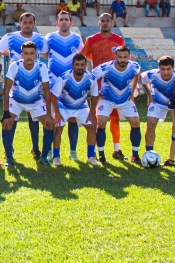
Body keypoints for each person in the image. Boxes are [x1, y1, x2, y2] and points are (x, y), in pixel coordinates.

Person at [0, 12, 48, 159]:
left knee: (34, 117)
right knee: (12, 119)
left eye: (30, 22)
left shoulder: (40, 39)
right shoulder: (10, 37)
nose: (27, 24)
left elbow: (47, 55)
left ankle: (36, 149)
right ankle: (9, 151)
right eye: (25, 22)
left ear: (34, 24)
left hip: (34, 84)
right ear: (20, 23)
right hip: (17, 83)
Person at [81, 13, 126, 161]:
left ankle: (116, 149)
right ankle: (93, 151)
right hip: (98, 84)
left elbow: (125, 58)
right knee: (97, 120)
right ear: (99, 23)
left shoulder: (118, 40)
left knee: (115, 118)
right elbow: (84, 56)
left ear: (112, 23)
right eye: (103, 21)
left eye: (108, 21)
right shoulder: (92, 40)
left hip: (115, 83)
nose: (105, 23)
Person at [1, 42, 53, 167]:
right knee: (6, 124)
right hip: (17, 101)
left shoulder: (42, 67)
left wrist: (48, 114)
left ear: (36, 55)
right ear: (21, 55)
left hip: (35, 101)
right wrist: (6, 113)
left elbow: (47, 91)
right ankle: (9, 156)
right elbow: (7, 90)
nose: (29, 56)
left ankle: (44, 157)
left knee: (50, 125)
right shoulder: (15, 66)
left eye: (31, 54)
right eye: (26, 54)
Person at [92, 46, 143, 165]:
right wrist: (97, 94)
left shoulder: (134, 66)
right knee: (101, 123)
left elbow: (137, 74)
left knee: (136, 123)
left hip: (125, 100)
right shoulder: (106, 67)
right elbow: (91, 78)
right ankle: (101, 155)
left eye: (125, 57)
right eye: (120, 57)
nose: (122, 60)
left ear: (129, 57)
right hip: (107, 99)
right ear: (115, 57)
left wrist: (133, 91)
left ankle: (135, 155)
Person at [49, 54, 101, 166]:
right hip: (63, 105)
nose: (80, 67)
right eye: (77, 64)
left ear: (86, 66)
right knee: (58, 128)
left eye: (82, 64)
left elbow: (95, 95)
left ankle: (90, 156)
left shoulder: (91, 78)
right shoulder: (65, 77)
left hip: (81, 106)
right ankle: (56, 157)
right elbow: (53, 95)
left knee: (92, 127)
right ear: (73, 65)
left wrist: (91, 113)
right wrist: (57, 113)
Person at [45, 11, 84, 161]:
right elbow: (44, 54)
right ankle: (50, 151)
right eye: (61, 20)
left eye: (66, 19)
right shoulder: (50, 37)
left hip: (72, 83)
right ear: (57, 23)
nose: (63, 22)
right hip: (54, 82)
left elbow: (80, 57)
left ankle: (73, 152)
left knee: (72, 118)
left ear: (71, 22)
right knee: (53, 119)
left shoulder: (76, 38)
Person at [140, 56, 175, 154]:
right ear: (159, 68)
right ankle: (149, 154)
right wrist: (149, 95)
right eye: (163, 69)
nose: (165, 72)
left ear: (173, 68)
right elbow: (142, 80)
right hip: (157, 103)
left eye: (168, 69)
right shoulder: (152, 74)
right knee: (150, 124)